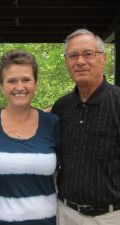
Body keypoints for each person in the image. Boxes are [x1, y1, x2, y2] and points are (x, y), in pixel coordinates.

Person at [0, 50, 60, 224]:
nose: (19, 87)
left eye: (26, 80)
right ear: (2, 86)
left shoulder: (52, 123)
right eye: (12, 81)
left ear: (36, 83)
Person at [52, 28, 120, 225]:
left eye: (88, 54)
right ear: (66, 61)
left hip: (111, 216)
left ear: (103, 59)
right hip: (65, 213)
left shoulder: (117, 101)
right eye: (73, 55)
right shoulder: (62, 106)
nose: (80, 61)